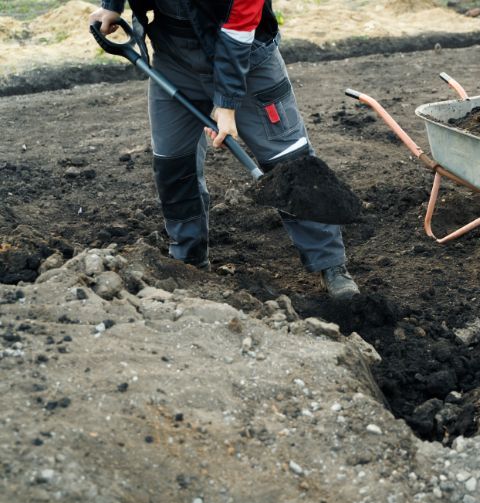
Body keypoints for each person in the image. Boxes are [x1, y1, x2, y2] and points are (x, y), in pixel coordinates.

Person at [89, 0, 360, 301]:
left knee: (291, 162)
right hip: (174, 55)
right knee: (173, 164)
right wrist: (111, 5)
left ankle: (330, 265)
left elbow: (240, 27)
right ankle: (189, 262)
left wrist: (227, 103)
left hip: (249, 62)